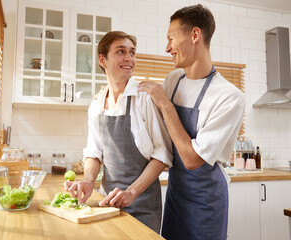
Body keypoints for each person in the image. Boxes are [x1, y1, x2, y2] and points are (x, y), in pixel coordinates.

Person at [138, 4, 245, 240]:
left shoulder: (229, 96)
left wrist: (166, 105)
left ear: (195, 35)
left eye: (171, 39)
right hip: (177, 193)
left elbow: (192, 159)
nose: (167, 48)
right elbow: (151, 126)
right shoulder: (173, 80)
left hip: (206, 198)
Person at [64, 31, 172, 233]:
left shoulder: (143, 98)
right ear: (102, 59)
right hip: (108, 204)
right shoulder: (96, 105)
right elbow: (93, 153)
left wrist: (131, 192)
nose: (129, 59)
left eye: (132, 53)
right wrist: (88, 180)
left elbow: (162, 154)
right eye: (121, 52)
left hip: (143, 205)